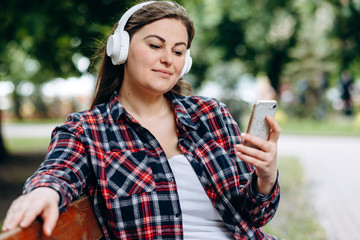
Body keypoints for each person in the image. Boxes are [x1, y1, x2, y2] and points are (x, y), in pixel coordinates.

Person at [2, 1, 281, 239]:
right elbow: (58, 172)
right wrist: (44, 192)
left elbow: (255, 216)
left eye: (178, 51)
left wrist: (265, 179)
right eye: (155, 45)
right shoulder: (87, 130)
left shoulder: (210, 115)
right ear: (120, 49)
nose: (167, 59)